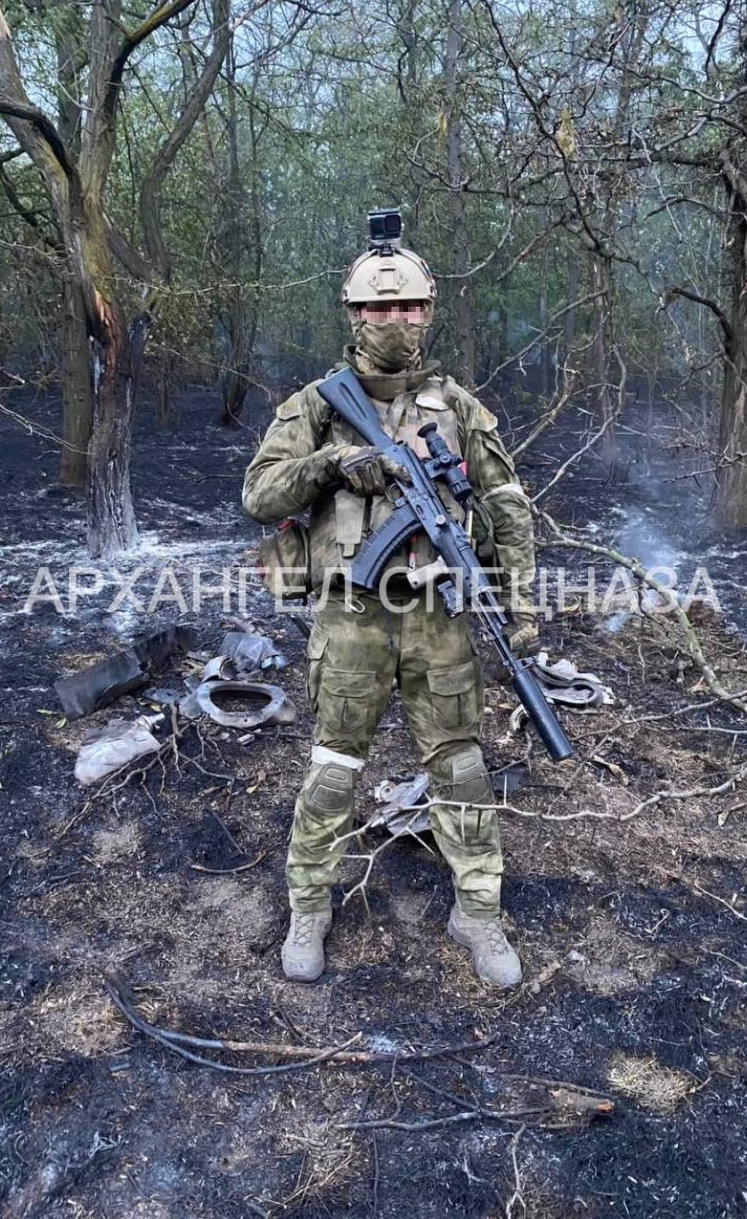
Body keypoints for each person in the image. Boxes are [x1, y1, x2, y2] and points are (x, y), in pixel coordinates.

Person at [241, 218, 539, 988]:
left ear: (428, 312)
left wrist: (521, 606)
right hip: (350, 620)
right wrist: (335, 463)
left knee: (463, 769)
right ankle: (310, 905)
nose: (396, 320)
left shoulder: (459, 409)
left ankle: (477, 911)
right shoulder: (316, 404)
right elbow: (259, 492)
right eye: (380, 309)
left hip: (439, 619)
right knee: (335, 769)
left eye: (409, 307)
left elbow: (506, 506)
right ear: (354, 314)